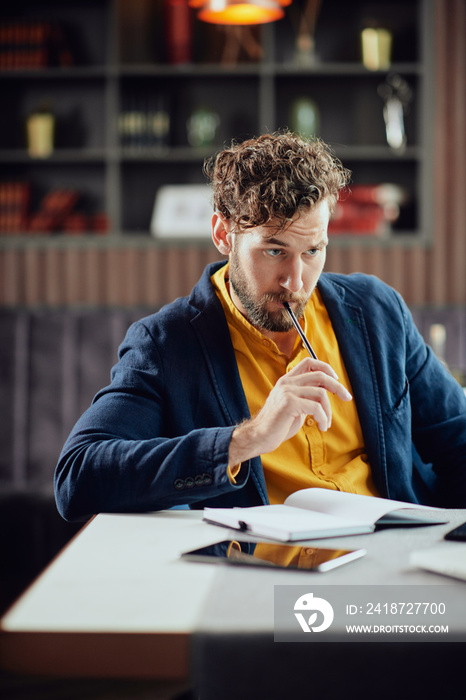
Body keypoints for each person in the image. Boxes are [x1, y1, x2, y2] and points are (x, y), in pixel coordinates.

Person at [55, 131, 466, 521]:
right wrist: (248, 439)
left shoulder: (377, 311)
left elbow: (459, 439)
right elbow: (78, 477)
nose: (296, 280)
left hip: (389, 565)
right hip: (264, 578)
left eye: (313, 251)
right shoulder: (165, 344)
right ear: (222, 233)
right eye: (275, 249)